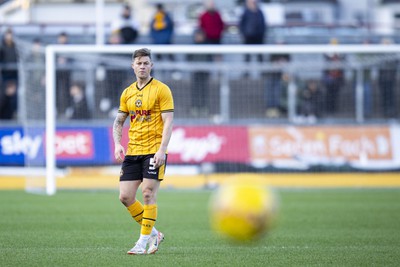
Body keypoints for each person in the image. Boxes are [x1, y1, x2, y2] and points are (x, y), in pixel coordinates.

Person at [113, 48, 174, 255]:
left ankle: (142, 242)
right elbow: (119, 121)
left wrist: (162, 150)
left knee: (148, 193)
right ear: (133, 66)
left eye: (146, 63)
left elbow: (168, 122)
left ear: (151, 65)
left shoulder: (161, 89)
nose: (142, 66)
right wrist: (117, 143)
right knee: (125, 197)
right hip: (133, 151)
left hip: (154, 151)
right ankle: (154, 233)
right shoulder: (127, 93)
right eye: (139, 63)